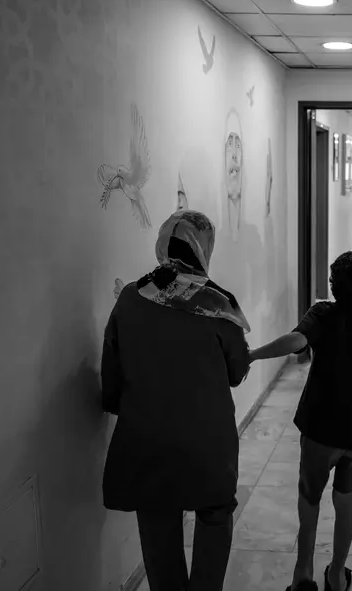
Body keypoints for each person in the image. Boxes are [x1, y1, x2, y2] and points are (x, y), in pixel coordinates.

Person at [248, 249, 352, 591]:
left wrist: (253, 354)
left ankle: (302, 573)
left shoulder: (321, 314)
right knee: (346, 501)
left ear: (333, 286)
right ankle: (337, 574)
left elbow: (296, 341)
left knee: (309, 497)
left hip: (319, 429)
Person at [101, 210, 251, 591]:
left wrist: (127, 406)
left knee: (156, 517)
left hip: (146, 439)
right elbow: (237, 372)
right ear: (204, 249)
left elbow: (111, 380)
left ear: (163, 245)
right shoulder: (219, 305)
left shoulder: (131, 297)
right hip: (207, 444)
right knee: (215, 513)